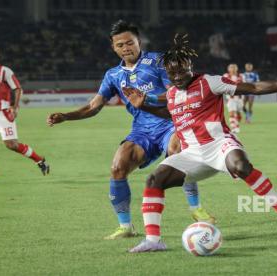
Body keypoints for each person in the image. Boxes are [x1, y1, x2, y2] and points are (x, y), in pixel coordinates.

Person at [124, 34, 277, 253]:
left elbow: (254, 88)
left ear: (191, 66)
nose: (178, 77)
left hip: (220, 145)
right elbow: (171, 114)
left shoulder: (210, 82)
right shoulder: (172, 94)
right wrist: (143, 106)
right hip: (191, 154)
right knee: (154, 178)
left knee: (241, 166)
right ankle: (154, 241)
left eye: (182, 71)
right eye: (172, 73)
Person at [46, 21, 214, 240]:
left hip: (172, 122)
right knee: (118, 166)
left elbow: (176, 91)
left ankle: (195, 208)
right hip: (142, 130)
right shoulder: (113, 75)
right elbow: (93, 106)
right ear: (113, 48)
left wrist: (148, 98)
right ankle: (126, 226)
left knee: (177, 153)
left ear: (139, 42)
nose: (126, 48)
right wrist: (66, 116)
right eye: (120, 45)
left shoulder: (157, 61)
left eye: (129, 43)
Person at [0, 41, 49, 184]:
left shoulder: (5, 71)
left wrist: (15, 107)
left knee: (11, 145)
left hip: (2, 114)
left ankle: (40, 160)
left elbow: (17, 88)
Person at [223, 64, 243, 133]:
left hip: (239, 98)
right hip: (230, 98)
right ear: (228, 69)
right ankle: (234, 128)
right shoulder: (226, 76)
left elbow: (245, 85)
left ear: (236, 69)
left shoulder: (241, 76)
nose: (233, 69)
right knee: (231, 113)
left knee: (239, 115)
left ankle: (236, 125)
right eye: (231, 68)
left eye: (234, 68)